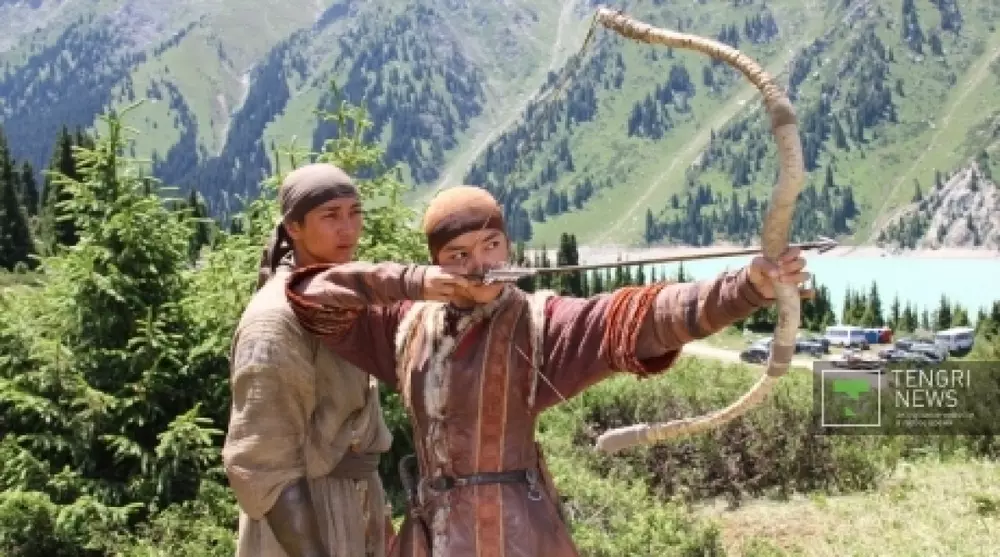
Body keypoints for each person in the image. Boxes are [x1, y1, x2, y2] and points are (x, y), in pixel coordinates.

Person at [283, 185, 810, 557]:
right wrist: (408, 282)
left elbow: (644, 317)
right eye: (458, 254)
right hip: (430, 531)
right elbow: (312, 296)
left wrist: (746, 288)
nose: (479, 264)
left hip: (517, 530)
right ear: (436, 263)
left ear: (509, 247)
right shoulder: (406, 323)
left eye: (491, 245)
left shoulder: (540, 322)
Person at [222, 163, 395, 557]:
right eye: (330, 216)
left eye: (354, 213)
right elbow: (263, 461)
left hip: (353, 504)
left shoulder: (341, 298)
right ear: (293, 227)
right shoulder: (274, 319)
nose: (347, 229)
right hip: (304, 522)